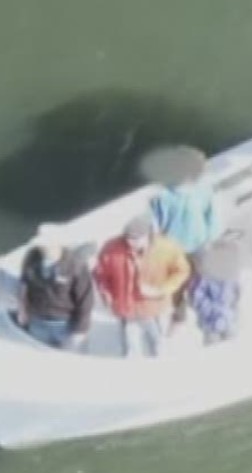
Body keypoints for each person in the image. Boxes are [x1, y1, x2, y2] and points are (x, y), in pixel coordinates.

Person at [92, 214, 190, 357]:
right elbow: (100, 274)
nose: (132, 242)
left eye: (137, 239)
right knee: (131, 351)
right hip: (126, 309)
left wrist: (160, 290)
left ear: (148, 235)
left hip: (155, 308)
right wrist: (107, 295)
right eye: (128, 238)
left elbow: (182, 271)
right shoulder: (111, 248)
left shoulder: (167, 247)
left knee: (159, 347)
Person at [145, 146, 221, 324]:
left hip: (199, 245)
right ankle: (179, 315)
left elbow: (212, 216)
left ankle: (203, 309)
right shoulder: (162, 197)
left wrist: (211, 238)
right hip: (176, 250)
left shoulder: (203, 189)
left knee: (203, 280)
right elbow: (156, 226)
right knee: (175, 285)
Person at [14, 229, 94, 351]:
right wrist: (22, 309)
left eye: (47, 245)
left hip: (65, 324)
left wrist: (80, 330)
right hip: (37, 321)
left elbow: (85, 299)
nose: (43, 249)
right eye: (41, 246)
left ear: (58, 244)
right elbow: (24, 284)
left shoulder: (76, 265)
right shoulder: (31, 257)